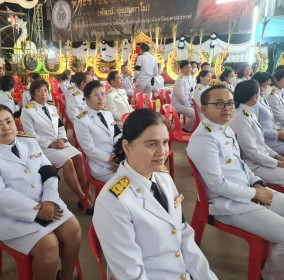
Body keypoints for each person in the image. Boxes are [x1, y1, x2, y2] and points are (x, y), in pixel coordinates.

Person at [93, 108, 217, 280]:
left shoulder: (163, 178)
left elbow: (184, 234)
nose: (162, 152)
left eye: (165, 142)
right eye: (152, 144)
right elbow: (131, 275)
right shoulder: (112, 202)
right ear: (127, 146)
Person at [0, 104, 81, 280]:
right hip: (12, 217)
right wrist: (39, 211)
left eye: (9, 121)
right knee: (49, 246)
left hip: (47, 202)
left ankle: (65, 276)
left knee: (73, 230)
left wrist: (50, 200)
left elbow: (48, 172)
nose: (6, 127)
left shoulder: (29, 142)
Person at [187, 84, 284, 280]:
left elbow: (241, 165)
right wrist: (255, 194)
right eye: (219, 103)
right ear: (204, 108)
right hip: (229, 205)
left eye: (230, 103)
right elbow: (217, 185)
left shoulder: (225, 129)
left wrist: (258, 184)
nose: (227, 108)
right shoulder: (204, 138)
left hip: (247, 192)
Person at [20, 79, 94, 213]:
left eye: (45, 91)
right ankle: (82, 197)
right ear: (32, 94)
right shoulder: (27, 111)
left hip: (59, 143)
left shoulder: (51, 107)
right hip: (44, 148)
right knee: (68, 162)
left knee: (79, 157)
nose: (43, 94)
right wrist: (50, 143)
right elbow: (30, 135)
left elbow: (60, 126)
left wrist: (63, 139)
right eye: (39, 91)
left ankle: (85, 191)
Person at [229, 80, 284, 186]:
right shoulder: (241, 117)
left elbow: (260, 142)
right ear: (254, 96)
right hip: (254, 165)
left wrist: (277, 156)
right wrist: (277, 163)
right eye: (259, 93)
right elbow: (251, 152)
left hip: (263, 159)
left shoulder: (249, 112)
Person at [74, 80, 122, 183]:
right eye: (96, 94)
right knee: (129, 180)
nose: (101, 98)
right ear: (86, 99)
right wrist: (112, 160)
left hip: (116, 159)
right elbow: (90, 149)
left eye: (103, 93)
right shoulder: (81, 120)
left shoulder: (107, 113)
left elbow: (117, 135)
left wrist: (117, 154)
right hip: (101, 166)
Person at [251, 72, 284, 154]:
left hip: (274, 137)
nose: (269, 87)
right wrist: (277, 134)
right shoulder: (253, 103)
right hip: (266, 142)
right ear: (258, 85)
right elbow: (256, 129)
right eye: (267, 85)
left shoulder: (262, 98)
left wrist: (278, 129)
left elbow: (271, 121)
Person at [171, 60, 196, 132]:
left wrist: (192, 103)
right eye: (186, 68)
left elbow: (192, 92)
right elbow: (181, 96)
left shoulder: (192, 78)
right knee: (194, 115)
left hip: (187, 102)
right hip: (177, 104)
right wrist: (189, 106)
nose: (189, 69)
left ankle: (195, 129)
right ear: (181, 70)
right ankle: (186, 130)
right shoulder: (180, 80)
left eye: (190, 67)